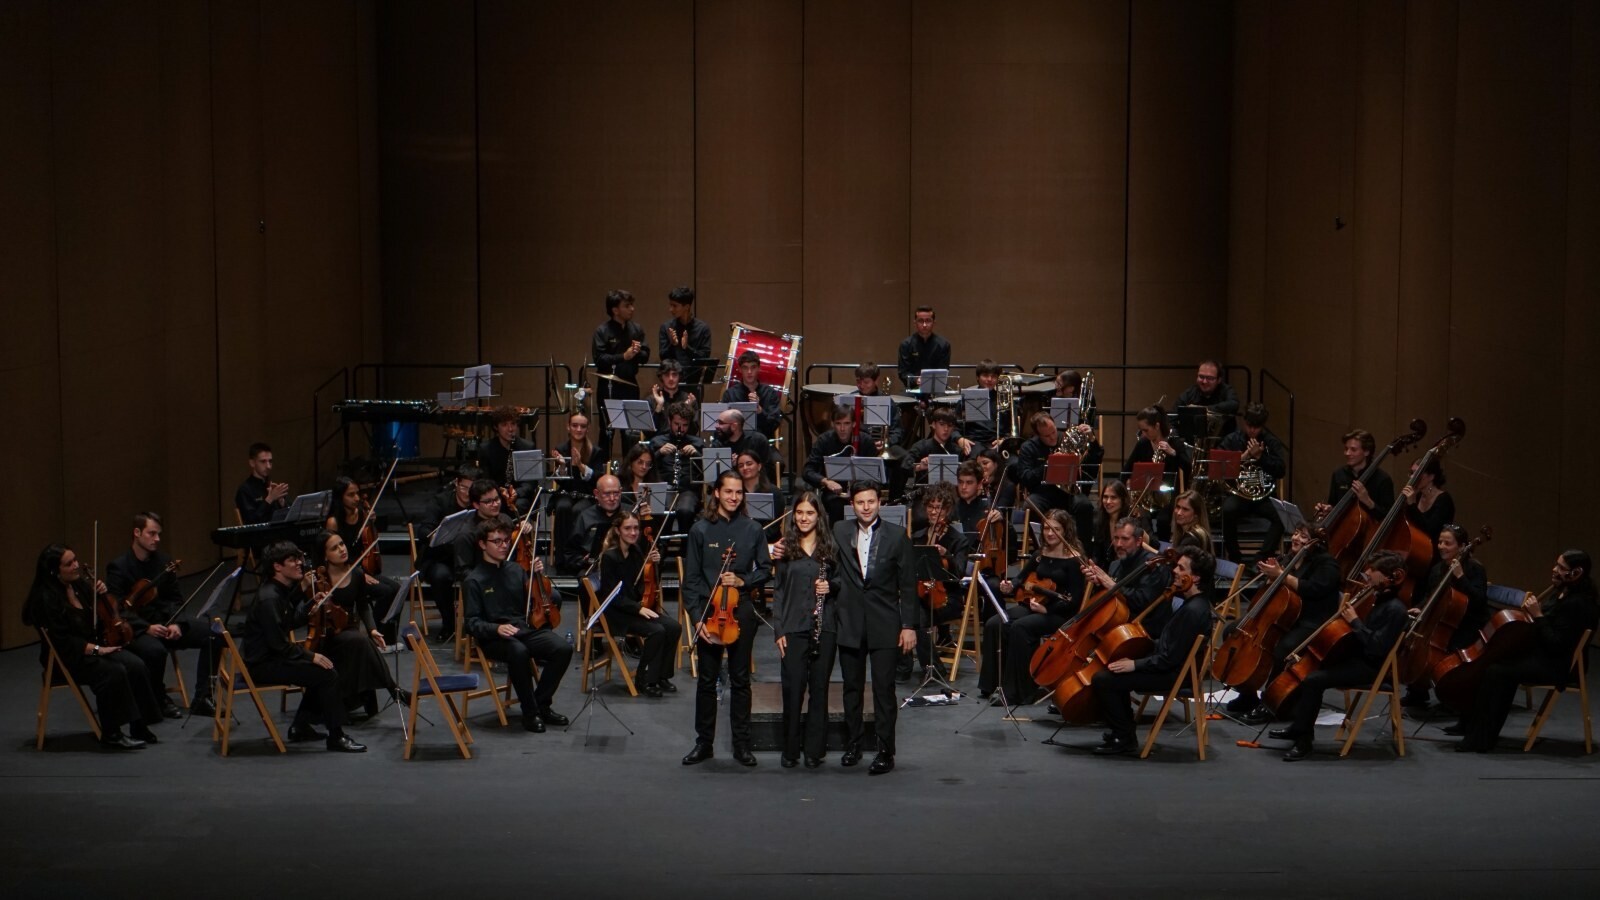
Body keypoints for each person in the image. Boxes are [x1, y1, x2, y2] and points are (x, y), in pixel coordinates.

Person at [1268, 551, 1410, 761]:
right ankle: (1299, 727)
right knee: (1310, 666)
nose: (1367, 573)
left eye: (1373, 571)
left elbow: (1377, 647)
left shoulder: (1396, 609)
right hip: (1359, 658)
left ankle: (1304, 740)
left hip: (1371, 667)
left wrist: (1354, 622)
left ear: (1389, 576)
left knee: (1314, 680)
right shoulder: (1378, 599)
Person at [1452, 550, 1598, 753]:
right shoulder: (1562, 592)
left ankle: (1481, 739)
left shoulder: (1579, 604)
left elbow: (1557, 644)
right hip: (1545, 656)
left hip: (1558, 665)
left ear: (1576, 572)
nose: (1554, 570)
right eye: (1556, 565)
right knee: (1495, 661)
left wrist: (1537, 616)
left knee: (1497, 672)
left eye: (1561, 568)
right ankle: (1470, 728)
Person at [23, 544, 162, 750]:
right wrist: (98, 650)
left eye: (75, 559)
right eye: (69, 564)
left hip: (90, 648)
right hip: (66, 658)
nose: (76, 566)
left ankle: (138, 724)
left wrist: (100, 594)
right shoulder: (46, 599)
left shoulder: (79, 585)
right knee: (113, 671)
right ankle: (111, 732)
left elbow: (98, 616)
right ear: (54, 570)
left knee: (135, 664)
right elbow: (64, 642)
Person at [681, 471, 772, 767]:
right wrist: (696, 619)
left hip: (741, 609)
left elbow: (766, 569)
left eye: (739, 492)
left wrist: (743, 581)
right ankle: (703, 743)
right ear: (717, 493)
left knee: (740, 678)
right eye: (728, 491)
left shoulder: (753, 529)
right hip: (709, 612)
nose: (734, 497)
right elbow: (691, 581)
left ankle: (741, 745)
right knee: (707, 680)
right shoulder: (700, 530)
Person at [238, 541, 366, 752]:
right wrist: (310, 656)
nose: (300, 563)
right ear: (277, 567)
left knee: (323, 669)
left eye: (299, 558)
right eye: (292, 560)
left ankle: (300, 726)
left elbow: (288, 623)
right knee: (328, 674)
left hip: (270, 658)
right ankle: (336, 737)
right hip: (262, 665)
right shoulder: (269, 598)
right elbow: (279, 645)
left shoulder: (277, 591)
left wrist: (310, 605)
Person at [1090, 547, 1216, 755]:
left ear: (1194, 578)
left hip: (1173, 675)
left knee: (1104, 680)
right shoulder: (1193, 603)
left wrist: (1134, 664)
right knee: (1115, 665)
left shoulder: (1193, 612)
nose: (1174, 570)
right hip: (1170, 666)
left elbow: (1168, 660)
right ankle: (1123, 732)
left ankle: (1124, 737)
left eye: (1181, 568)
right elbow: (1169, 648)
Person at [831, 481, 916, 775]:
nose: (866, 507)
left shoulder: (897, 537)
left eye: (871, 502)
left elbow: (907, 586)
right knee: (851, 689)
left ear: (879, 503)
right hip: (851, 622)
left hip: (885, 622)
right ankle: (853, 746)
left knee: (883, 690)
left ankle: (885, 751)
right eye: (860, 503)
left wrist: (908, 626)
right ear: (852, 505)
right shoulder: (840, 531)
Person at [106, 512, 224, 718]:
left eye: (158, 534)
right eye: (151, 534)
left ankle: (203, 698)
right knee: (155, 651)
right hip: (137, 628)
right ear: (136, 533)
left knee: (214, 634)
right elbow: (116, 609)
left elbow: (176, 599)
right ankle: (158, 697)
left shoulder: (165, 562)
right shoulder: (119, 567)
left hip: (166, 623)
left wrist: (176, 623)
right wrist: (146, 627)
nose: (157, 539)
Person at [462, 517, 572, 732]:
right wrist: (496, 629)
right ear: (482, 544)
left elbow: (535, 601)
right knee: (519, 652)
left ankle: (540, 704)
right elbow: (472, 623)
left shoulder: (516, 570)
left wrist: (536, 576)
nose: (503, 546)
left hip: (522, 629)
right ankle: (530, 713)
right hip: (494, 637)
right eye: (497, 541)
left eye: (505, 541)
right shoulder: (473, 580)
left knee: (563, 649)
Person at [1230, 525, 1342, 718]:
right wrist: (1269, 577)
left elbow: (1312, 589)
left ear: (1317, 543)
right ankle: (1247, 692)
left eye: (1303, 536)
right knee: (1233, 630)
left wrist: (1281, 575)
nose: (1296, 538)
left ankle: (1271, 703)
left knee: (1282, 649)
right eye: (1296, 533)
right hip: (1284, 617)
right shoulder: (1289, 558)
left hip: (1312, 621)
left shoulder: (1327, 564)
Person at [980, 509, 1086, 704]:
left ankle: (1018, 692)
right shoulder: (1040, 555)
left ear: (1066, 531)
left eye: (1056, 529)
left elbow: (1075, 601)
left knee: (1020, 628)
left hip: (1059, 614)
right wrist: (1010, 586)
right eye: (1046, 528)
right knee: (995, 623)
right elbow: (1021, 578)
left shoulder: (1074, 560)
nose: (1050, 533)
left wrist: (1047, 610)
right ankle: (993, 685)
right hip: (1035, 607)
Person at [769, 492, 840, 768]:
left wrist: (830, 586)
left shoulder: (830, 547)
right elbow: (777, 593)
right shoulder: (785, 548)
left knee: (819, 689)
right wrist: (779, 630)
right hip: (793, 627)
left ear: (818, 516)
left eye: (810, 513)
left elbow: (842, 582)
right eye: (799, 512)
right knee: (793, 689)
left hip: (826, 626)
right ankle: (790, 751)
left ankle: (814, 750)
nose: (804, 518)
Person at [310, 530, 408, 719]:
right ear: (325, 555)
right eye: (334, 548)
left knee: (362, 640)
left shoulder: (355, 574)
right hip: (327, 635)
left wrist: (372, 630)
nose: (341, 550)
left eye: (341, 544)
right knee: (360, 641)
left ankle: (393, 691)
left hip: (349, 632)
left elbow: (363, 606)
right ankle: (394, 690)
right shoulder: (318, 580)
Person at [1401, 524, 1489, 711]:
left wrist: (1461, 577)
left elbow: (1479, 601)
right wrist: (1419, 608)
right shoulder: (1438, 568)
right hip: (1444, 620)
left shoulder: (1475, 569)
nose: (1441, 546)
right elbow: (1429, 596)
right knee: (1411, 631)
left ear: (1462, 546)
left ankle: (1454, 696)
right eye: (1440, 542)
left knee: (1448, 647)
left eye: (1447, 543)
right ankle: (1417, 689)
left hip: (1468, 624)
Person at [597, 510, 681, 697]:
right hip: (617, 614)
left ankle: (661, 676)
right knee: (657, 631)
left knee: (674, 627)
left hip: (634, 609)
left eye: (636, 528)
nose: (633, 532)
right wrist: (638, 608)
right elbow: (612, 596)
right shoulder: (610, 557)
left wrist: (654, 565)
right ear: (618, 531)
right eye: (628, 528)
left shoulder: (636, 552)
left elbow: (643, 585)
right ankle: (644, 679)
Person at [903, 482, 972, 681]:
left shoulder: (958, 540)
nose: (934, 512)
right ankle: (908, 665)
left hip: (948, 599)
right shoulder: (917, 536)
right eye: (931, 507)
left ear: (948, 510)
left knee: (916, 617)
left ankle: (930, 668)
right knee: (905, 610)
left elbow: (958, 574)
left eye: (939, 507)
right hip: (920, 594)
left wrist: (947, 555)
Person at [324, 477, 401, 640]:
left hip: (363, 568)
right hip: (345, 573)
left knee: (396, 588)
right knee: (385, 592)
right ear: (340, 497)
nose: (357, 498)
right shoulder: (333, 522)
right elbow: (334, 555)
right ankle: (378, 634)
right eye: (351, 495)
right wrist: (358, 574)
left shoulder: (363, 514)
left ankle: (388, 636)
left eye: (357, 493)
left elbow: (371, 541)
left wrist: (372, 523)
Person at [1217, 402, 1288, 564]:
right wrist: (1246, 455)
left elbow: (1280, 470)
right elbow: (1220, 468)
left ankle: (1262, 558)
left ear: (1263, 425)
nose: (1252, 430)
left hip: (1264, 496)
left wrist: (1261, 458)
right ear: (1244, 422)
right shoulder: (1232, 440)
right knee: (1227, 510)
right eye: (1249, 426)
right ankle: (1236, 559)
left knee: (1282, 516)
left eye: (1257, 427)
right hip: (1239, 494)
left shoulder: (1271, 442)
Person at [414, 465, 477, 644]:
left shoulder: (478, 502)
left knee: (479, 574)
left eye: (471, 489)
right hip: (440, 556)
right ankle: (449, 625)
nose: (467, 493)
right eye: (464, 487)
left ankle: (477, 624)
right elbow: (424, 530)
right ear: (456, 484)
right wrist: (437, 534)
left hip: (468, 557)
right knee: (441, 576)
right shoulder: (440, 501)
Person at [1082, 518, 1175, 636]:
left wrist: (1113, 586)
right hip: (1116, 626)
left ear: (1138, 541)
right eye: (1116, 538)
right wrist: (1099, 583)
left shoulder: (1155, 566)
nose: (1119, 544)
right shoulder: (1114, 564)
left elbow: (1141, 602)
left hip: (1142, 632)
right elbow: (1111, 602)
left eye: (1125, 539)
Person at [1124, 405, 1192, 540]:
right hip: (1148, 492)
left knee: (1163, 520)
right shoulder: (1143, 443)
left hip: (1170, 493)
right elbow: (1127, 469)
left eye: (1146, 430)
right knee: (1141, 516)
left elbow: (1188, 467)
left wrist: (1173, 453)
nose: (1143, 434)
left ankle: (1163, 548)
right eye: (1141, 430)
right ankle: (1151, 545)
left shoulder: (1174, 441)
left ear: (1156, 426)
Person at [592, 289, 650, 448]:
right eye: (627, 305)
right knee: (606, 431)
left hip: (630, 384)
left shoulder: (636, 329)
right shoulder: (602, 331)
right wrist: (623, 357)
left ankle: (630, 470)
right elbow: (600, 359)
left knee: (631, 433)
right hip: (608, 387)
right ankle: (605, 468)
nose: (632, 309)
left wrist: (637, 353)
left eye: (632, 305)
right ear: (615, 310)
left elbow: (646, 355)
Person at [803, 403, 877, 522]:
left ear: (853, 424)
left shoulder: (866, 441)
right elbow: (807, 471)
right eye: (838, 424)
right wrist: (826, 481)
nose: (842, 429)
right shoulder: (824, 441)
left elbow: (875, 475)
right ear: (832, 424)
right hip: (835, 494)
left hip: (862, 491)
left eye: (847, 423)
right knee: (836, 506)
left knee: (868, 506)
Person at [1315, 429, 1395, 523]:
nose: (1347, 453)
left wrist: (1368, 501)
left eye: (1353, 449)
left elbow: (1389, 518)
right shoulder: (1339, 474)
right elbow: (1333, 504)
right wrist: (1328, 510)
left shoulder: (1383, 479)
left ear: (1366, 452)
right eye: (1346, 449)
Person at [646, 401, 704, 528]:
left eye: (685, 425)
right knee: (663, 511)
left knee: (685, 511)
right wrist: (659, 453)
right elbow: (644, 468)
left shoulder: (698, 443)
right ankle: (661, 546)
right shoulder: (657, 442)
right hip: (663, 489)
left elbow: (708, 472)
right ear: (669, 421)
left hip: (688, 490)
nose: (681, 429)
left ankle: (686, 546)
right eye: (677, 424)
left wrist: (697, 455)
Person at [477, 406, 537, 515]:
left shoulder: (527, 447)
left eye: (513, 424)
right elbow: (485, 480)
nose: (510, 429)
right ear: (496, 427)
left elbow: (531, 482)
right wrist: (500, 492)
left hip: (520, 497)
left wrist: (515, 493)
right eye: (504, 425)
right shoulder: (486, 449)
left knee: (518, 506)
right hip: (495, 496)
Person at [560, 474, 626, 575]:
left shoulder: (629, 514)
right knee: (585, 581)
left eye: (616, 493)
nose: (612, 498)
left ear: (621, 491)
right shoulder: (585, 517)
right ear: (596, 493)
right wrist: (583, 560)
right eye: (607, 494)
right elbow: (570, 553)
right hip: (593, 570)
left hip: (624, 568)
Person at [658, 285, 712, 398]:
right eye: (670, 305)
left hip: (693, 384)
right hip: (671, 384)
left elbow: (704, 358)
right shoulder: (666, 327)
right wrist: (672, 345)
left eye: (674, 306)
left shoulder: (702, 329)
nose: (670, 309)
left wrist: (687, 347)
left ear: (686, 307)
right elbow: (663, 356)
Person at [1174, 359, 1239, 445]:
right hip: (1193, 445)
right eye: (1201, 377)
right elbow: (1172, 418)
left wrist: (1202, 410)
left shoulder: (1226, 390)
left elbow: (1234, 404)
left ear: (1219, 380)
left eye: (1210, 378)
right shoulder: (1189, 394)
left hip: (1223, 443)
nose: (1204, 381)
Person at [722, 349, 783, 438]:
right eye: (745, 368)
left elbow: (773, 425)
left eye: (753, 367)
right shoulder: (730, 394)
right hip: (737, 444)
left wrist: (760, 411)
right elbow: (723, 425)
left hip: (762, 443)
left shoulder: (770, 393)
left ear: (759, 368)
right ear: (740, 369)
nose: (749, 372)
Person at [904, 408, 971, 488]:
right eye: (942, 424)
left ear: (953, 428)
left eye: (949, 425)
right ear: (933, 425)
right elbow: (905, 466)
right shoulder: (921, 446)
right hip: (925, 494)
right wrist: (919, 467)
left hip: (951, 493)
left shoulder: (957, 450)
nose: (946, 429)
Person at [848, 362, 906, 450]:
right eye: (858, 381)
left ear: (876, 381)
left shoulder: (886, 401)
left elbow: (897, 431)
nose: (862, 385)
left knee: (903, 456)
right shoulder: (850, 399)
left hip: (881, 445)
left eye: (866, 382)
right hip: (856, 444)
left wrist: (887, 442)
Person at [1402, 457, 1455, 552]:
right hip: (1416, 549)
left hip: (1433, 552)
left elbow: (1430, 531)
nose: (1411, 477)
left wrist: (1412, 505)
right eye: (1411, 473)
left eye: (1417, 474)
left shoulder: (1444, 500)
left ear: (1431, 477)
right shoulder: (1417, 497)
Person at [961, 359, 1011, 448]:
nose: (990, 379)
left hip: (997, 442)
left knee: (1013, 461)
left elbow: (1010, 428)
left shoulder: (1005, 400)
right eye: (985, 375)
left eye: (994, 376)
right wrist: (959, 439)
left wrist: (1004, 440)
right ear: (977, 377)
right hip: (975, 442)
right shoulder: (968, 397)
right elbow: (955, 426)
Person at [897, 305, 950, 388]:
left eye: (928, 321)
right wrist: (916, 380)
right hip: (913, 388)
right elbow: (903, 373)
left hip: (936, 389)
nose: (924, 325)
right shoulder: (906, 345)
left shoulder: (943, 345)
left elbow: (943, 371)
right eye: (920, 321)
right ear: (915, 322)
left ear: (934, 322)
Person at [235, 442, 288, 524]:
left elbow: (289, 518)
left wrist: (282, 502)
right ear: (252, 463)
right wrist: (270, 499)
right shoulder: (245, 490)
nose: (268, 466)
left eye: (270, 461)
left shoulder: (272, 487)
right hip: (258, 535)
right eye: (263, 461)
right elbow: (251, 521)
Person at [711, 407, 773, 474]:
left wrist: (742, 465)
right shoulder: (717, 444)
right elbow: (713, 474)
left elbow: (767, 469)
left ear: (734, 426)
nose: (716, 426)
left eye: (721, 423)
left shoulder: (758, 440)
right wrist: (729, 466)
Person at [1088, 480, 1136, 568]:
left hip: (1130, 569)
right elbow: (1097, 553)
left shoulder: (1134, 519)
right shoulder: (1099, 520)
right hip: (1106, 570)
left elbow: (1154, 544)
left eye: (1113, 497)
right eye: (1105, 497)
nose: (1108, 501)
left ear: (1123, 500)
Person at [650, 359, 696, 432]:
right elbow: (649, 433)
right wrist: (659, 407)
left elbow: (694, 431)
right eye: (666, 375)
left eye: (674, 374)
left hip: (683, 441)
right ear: (661, 377)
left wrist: (686, 409)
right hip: (659, 441)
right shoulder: (652, 399)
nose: (671, 378)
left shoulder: (689, 399)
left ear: (679, 376)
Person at [736, 448, 784, 516]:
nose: (745, 468)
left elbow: (776, 521)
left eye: (749, 464)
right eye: (741, 466)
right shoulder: (735, 492)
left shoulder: (774, 492)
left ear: (759, 466)